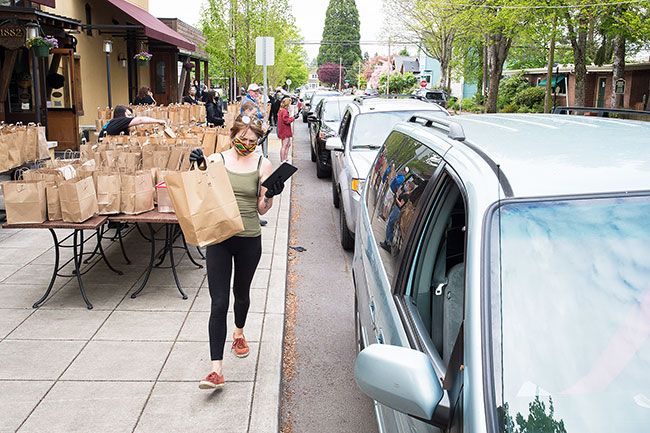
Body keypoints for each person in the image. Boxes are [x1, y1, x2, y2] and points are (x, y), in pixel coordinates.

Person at [188, 115, 284, 390]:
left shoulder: (262, 164)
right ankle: (215, 370)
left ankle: (239, 333)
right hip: (219, 237)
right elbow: (200, 189)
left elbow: (261, 209)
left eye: (253, 141)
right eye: (242, 140)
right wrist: (196, 162)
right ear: (233, 137)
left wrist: (272, 194)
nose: (247, 145)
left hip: (248, 239)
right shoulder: (217, 159)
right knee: (218, 302)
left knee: (241, 294)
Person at [99, 105, 166, 138]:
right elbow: (141, 120)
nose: (130, 117)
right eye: (128, 115)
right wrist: (158, 121)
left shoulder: (113, 122)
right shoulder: (121, 120)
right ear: (122, 113)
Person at [277, 97, 298, 161]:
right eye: (290, 103)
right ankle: (283, 159)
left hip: (283, 130)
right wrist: (293, 118)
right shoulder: (284, 111)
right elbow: (286, 120)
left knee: (288, 144)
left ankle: (285, 158)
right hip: (285, 131)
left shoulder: (281, 110)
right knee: (285, 145)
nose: (290, 104)